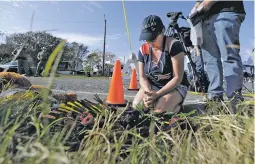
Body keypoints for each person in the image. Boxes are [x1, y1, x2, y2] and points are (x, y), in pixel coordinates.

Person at [189, 1, 246, 108]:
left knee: (229, 57)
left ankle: (235, 100)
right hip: (204, 18)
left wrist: (207, 2)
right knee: (210, 61)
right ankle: (215, 97)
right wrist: (196, 6)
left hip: (225, 12)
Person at [132, 15, 189, 114]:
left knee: (160, 111)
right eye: (147, 39)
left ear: (162, 31)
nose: (149, 42)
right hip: (153, 86)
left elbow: (177, 78)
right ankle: (160, 102)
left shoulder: (173, 45)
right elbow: (142, 76)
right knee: (137, 107)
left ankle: (177, 107)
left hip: (175, 86)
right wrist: (148, 92)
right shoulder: (142, 50)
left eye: (153, 39)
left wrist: (157, 94)